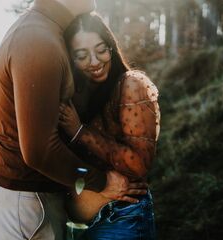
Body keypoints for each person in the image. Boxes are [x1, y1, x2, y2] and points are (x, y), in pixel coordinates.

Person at [0, 1, 147, 239]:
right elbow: (39, 152)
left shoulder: (47, 31)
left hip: (31, 201)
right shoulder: (37, 39)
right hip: (22, 203)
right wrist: (100, 181)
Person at [59, 13, 161, 239]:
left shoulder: (130, 84)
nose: (95, 62)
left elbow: (139, 165)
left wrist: (80, 132)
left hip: (122, 220)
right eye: (82, 55)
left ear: (112, 47)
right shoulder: (80, 93)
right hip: (80, 226)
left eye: (101, 49)